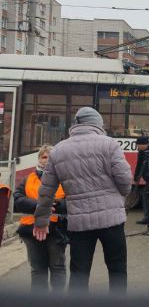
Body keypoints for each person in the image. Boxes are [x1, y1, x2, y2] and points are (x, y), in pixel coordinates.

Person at [33, 107, 133, 293]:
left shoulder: (58, 150)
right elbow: (126, 180)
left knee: (79, 272)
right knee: (117, 268)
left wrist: (41, 220)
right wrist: (118, 199)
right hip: (112, 221)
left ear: (76, 125)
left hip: (79, 223)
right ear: (97, 124)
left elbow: (46, 191)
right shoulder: (110, 144)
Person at [14, 145, 67, 291]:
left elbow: (72, 202)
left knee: (57, 267)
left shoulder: (64, 179)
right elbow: (17, 201)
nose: (47, 160)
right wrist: (38, 205)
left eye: (50, 157)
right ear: (38, 159)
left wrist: (55, 204)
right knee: (37, 269)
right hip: (30, 230)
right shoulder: (28, 179)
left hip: (56, 230)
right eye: (44, 157)